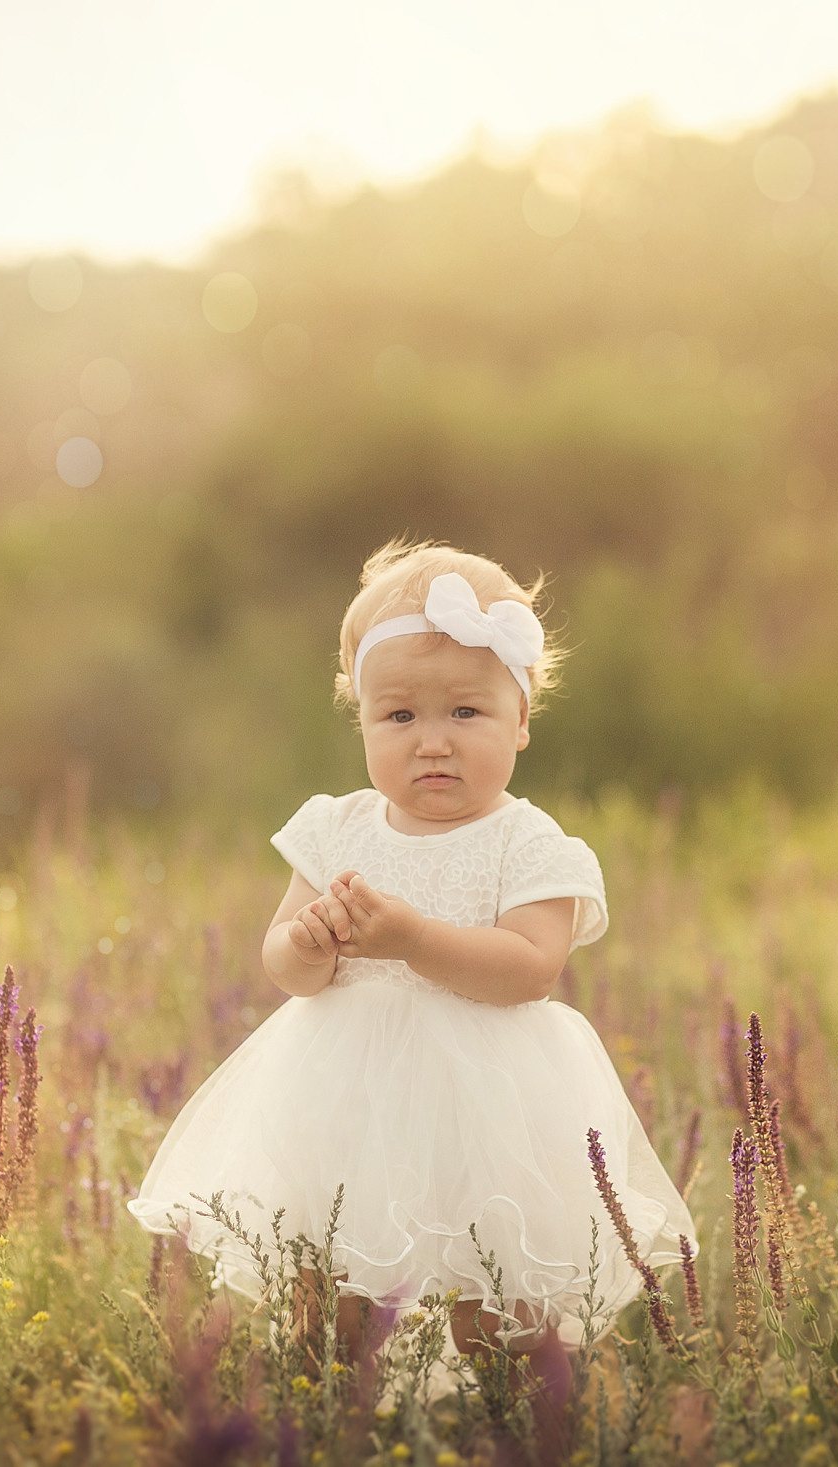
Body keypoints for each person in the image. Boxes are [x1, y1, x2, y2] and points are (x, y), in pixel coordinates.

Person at [126, 540, 693, 1425]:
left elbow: (530, 968)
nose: (432, 740)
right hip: (346, 1087)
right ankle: (329, 1406)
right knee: (327, 1263)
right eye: (398, 717)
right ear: (362, 724)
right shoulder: (335, 829)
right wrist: (310, 944)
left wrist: (413, 937)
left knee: (492, 1274)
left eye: (467, 710)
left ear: (520, 720)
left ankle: (515, 1410)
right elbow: (282, 960)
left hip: (490, 1099)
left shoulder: (530, 842)